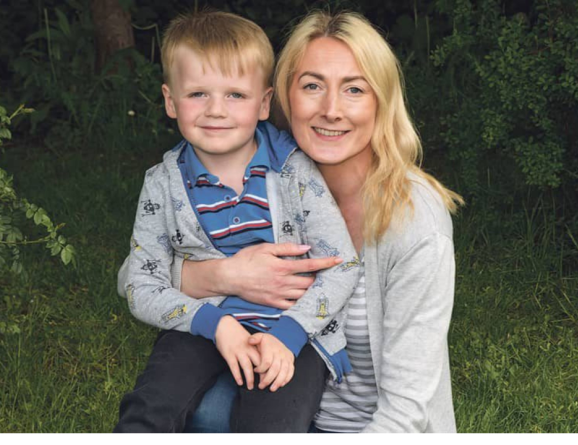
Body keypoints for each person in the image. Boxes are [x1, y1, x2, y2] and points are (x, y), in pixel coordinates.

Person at [181, 10, 464, 433]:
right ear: (283, 97)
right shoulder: (261, 178)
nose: (331, 110)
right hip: (276, 400)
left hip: (373, 428)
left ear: (381, 103)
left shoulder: (416, 222)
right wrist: (228, 275)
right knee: (199, 408)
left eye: (354, 89)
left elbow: (406, 412)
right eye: (312, 86)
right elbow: (137, 274)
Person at [114, 11, 360, 433]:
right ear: (170, 101)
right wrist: (217, 325)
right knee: (151, 407)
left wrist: (290, 333)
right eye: (197, 94)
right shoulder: (163, 184)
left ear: (264, 103)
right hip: (202, 323)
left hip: (291, 333)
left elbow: (343, 266)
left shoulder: (294, 173)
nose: (215, 111)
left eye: (235, 95)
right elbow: (139, 283)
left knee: (271, 423)